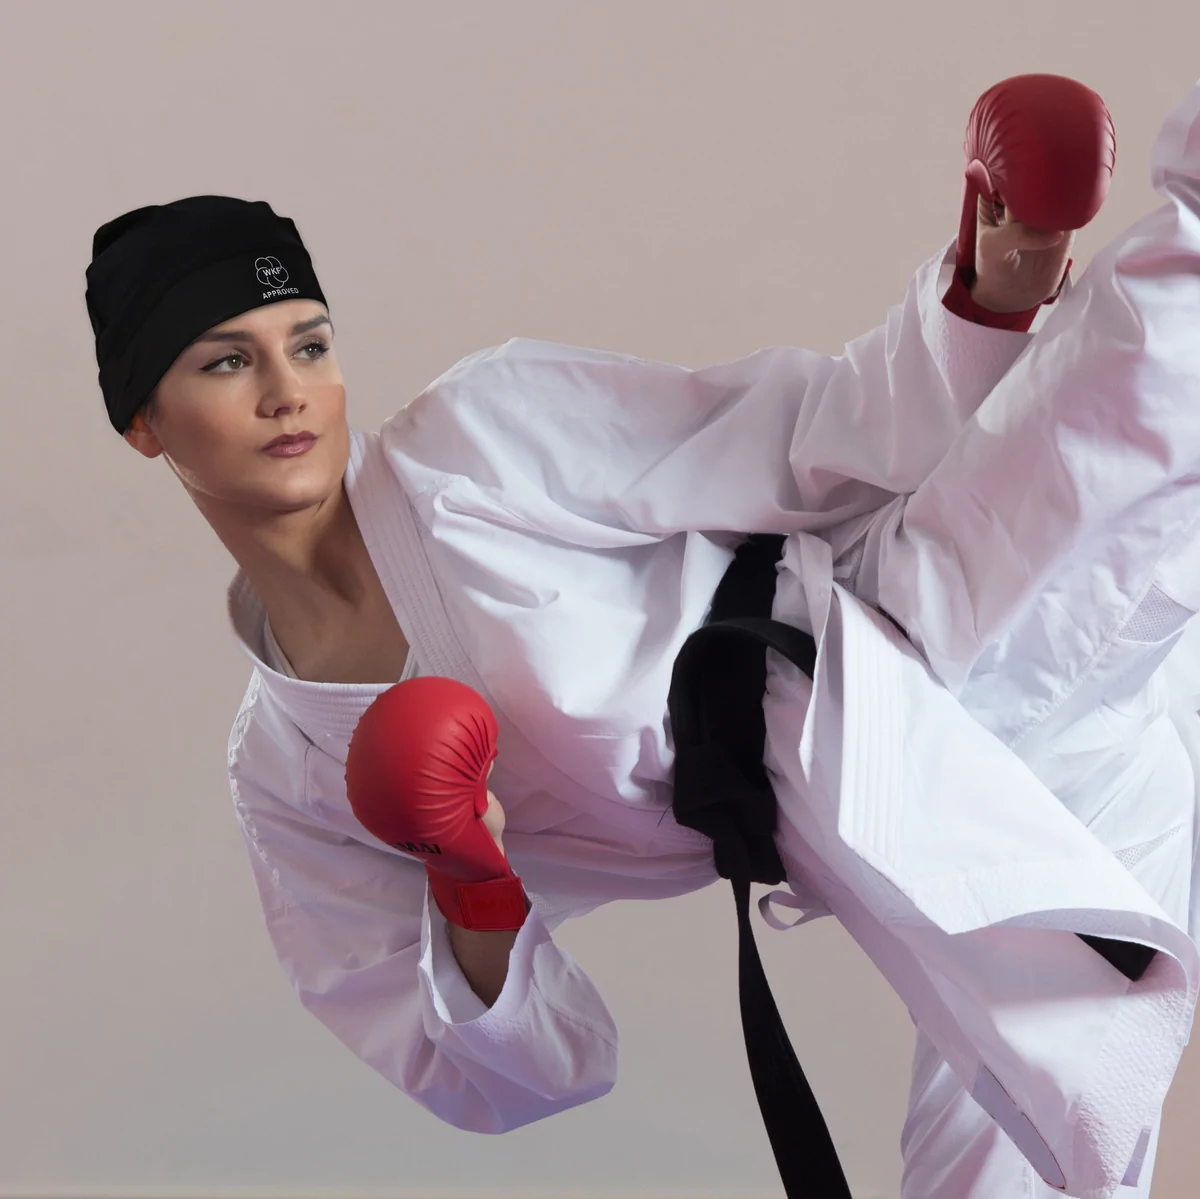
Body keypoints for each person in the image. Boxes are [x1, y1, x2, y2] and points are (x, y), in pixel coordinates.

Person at [83, 77, 1200, 1199]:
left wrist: (994, 295)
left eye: (310, 344)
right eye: (226, 361)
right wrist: (471, 881)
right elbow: (512, 1073)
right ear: (144, 423)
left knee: (1152, 362)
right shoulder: (290, 775)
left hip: (907, 629)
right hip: (913, 848)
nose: (288, 392)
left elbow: (800, 436)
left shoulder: (469, 441)